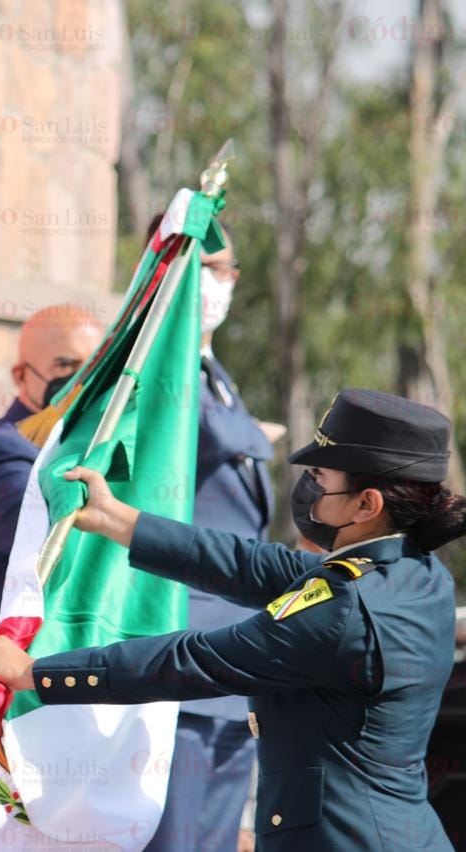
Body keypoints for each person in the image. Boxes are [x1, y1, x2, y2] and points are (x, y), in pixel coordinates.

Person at [0, 389, 466, 851]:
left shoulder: (344, 609)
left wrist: (35, 674)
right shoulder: (414, 573)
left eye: (322, 481)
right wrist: (115, 518)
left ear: (367, 504)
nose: (309, 492)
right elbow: (250, 563)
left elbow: (197, 660)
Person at [139, 215, 285, 852]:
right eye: (214, 269)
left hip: (235, 655)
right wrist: (261, 438)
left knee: (215, 839)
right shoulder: (156, 362)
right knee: (174, 838)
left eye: (229, 270)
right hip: (182, 647)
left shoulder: (212, 369)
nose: (227, 283)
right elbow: (220, 436)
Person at [0, 304, 103, 646]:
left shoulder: (88, 445)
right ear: (21, 376)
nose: (82, 379)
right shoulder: (5, 451)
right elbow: (50, 538)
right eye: (66, 365)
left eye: (95, 365)